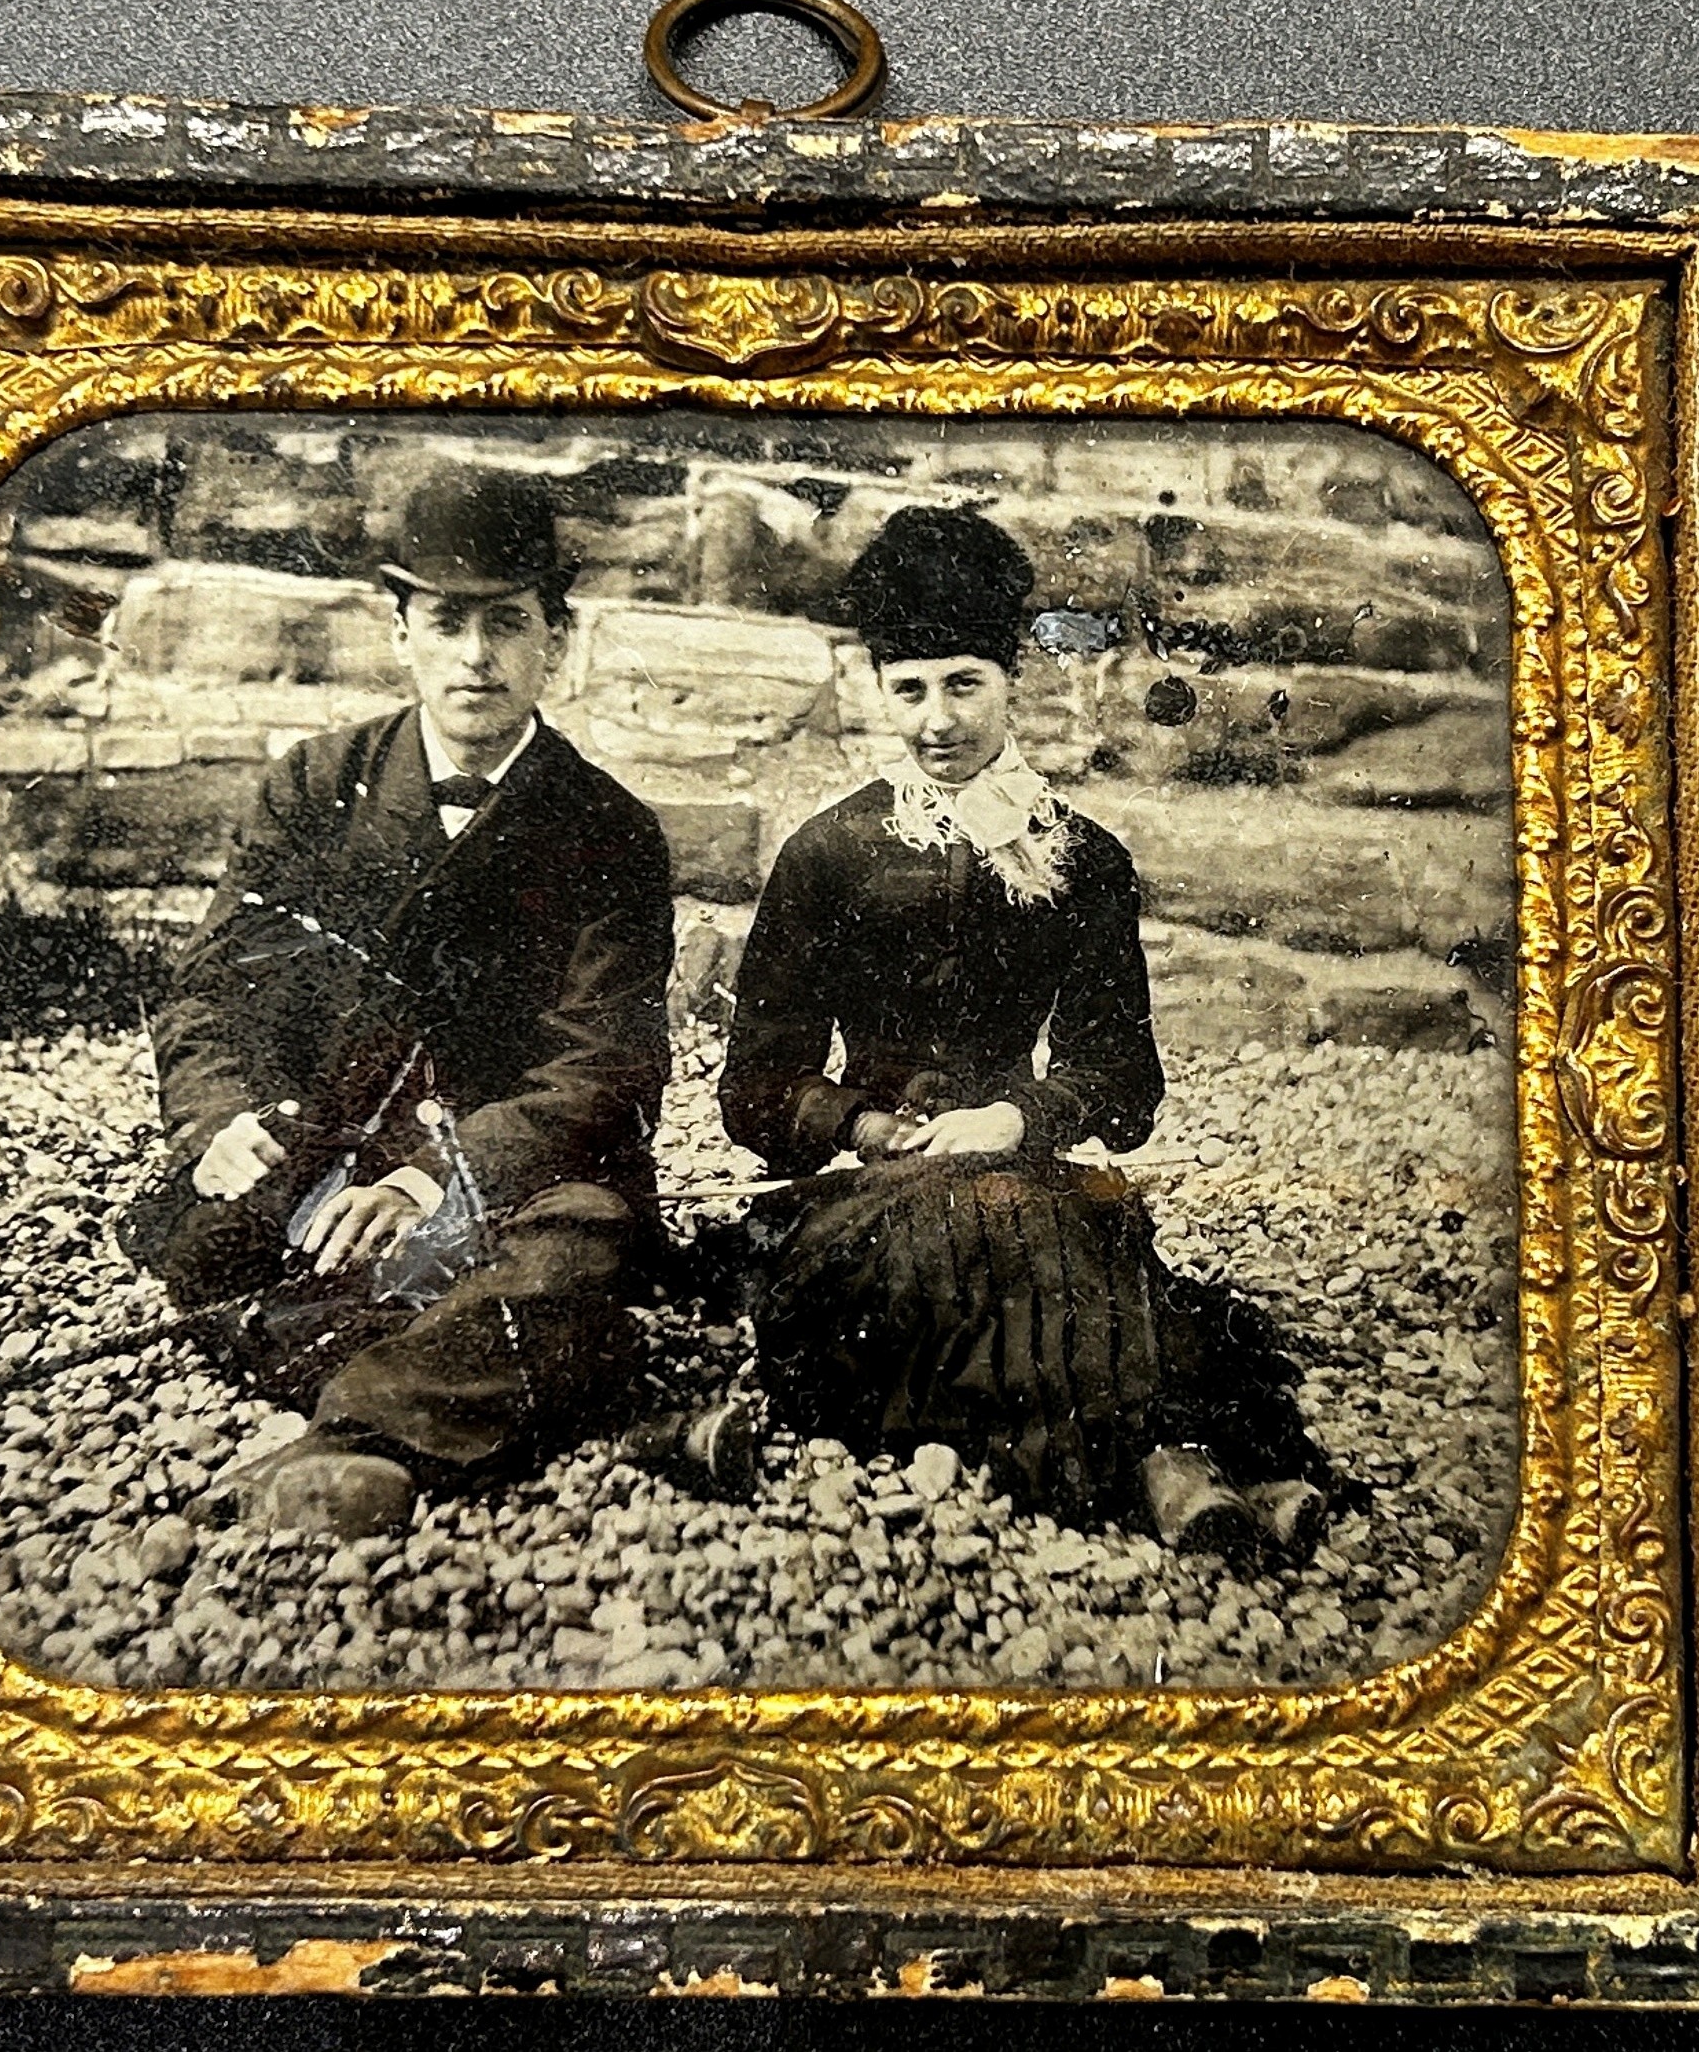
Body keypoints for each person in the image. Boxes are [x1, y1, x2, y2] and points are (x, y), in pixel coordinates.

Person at [719, 507, 1347, 1560]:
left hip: (1024, 1173)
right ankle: (1167, 1466)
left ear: (1014, 680)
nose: (937, 720)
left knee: (1039, 1231)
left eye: (964, 684)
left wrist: (1017, 1114)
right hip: (871, 1198)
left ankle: (1165, 1465)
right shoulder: (826, 853)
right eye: (909, 690)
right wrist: (868, 1125)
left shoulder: (1084, 858)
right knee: (1013, 1251)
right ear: (879, 689)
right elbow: (754, 1087)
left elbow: (1123, 1080)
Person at [121, 463, 676, 1538]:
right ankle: (504, 1388)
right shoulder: (313, 784)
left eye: (509, 623)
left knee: (569, 1262)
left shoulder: (610, 831)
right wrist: (216, 1120)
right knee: (205, 1237)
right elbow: (208, 992)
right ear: (399, 631)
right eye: (448, 621)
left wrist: (441, 1176)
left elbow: (603, 1069)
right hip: (336, 1157)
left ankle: (351, 1443)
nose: (477, 657)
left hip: (520, 1174)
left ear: (556, 640)